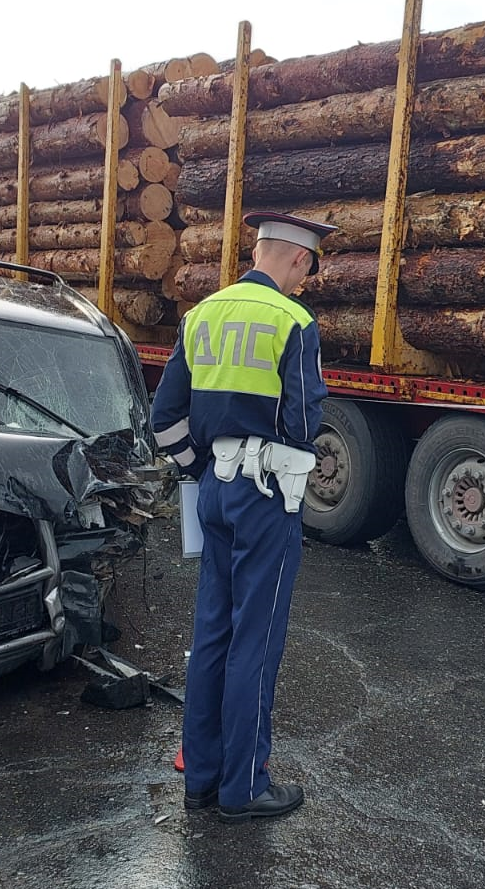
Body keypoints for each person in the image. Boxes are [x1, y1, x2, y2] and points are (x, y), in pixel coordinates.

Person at [150, 211, 334, 823]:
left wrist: (200, 466)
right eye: (309, 271)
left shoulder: (200, 316)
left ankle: (200, 780)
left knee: (212, 635)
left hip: (215, 491)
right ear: (300, 260)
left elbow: (165, 416)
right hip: (265, 497)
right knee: (255, 637)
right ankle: (244, 787)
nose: (305, 282)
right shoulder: (293, 320)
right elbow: (306, 419)